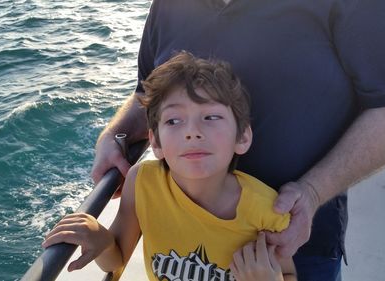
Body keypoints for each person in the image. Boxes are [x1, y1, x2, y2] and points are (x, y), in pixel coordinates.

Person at [90, 0, 385, 280]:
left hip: (291, 244)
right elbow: (147, 92)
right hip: (181, 241)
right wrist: (115, 133)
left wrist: (314, 192)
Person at [44, 52, 297, 281]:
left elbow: (287, 273)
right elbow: (117, 259)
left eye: (210, 117)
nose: (193, 132)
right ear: (156, 142)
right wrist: (99, 239)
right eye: (174, 120)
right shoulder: (142, 182)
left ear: (241, 137)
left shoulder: (267, 210)